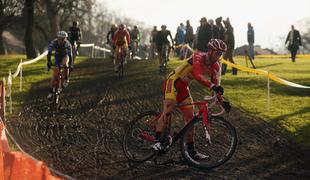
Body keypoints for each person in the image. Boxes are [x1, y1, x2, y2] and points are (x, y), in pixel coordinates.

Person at [153, 39, 231, 160]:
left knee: (190, 119)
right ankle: (157, 142)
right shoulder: (198, 57)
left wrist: (222, 101)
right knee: (169, 107)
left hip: (183, 88)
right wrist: (212, 86)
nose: (219, 56)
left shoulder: (215, 65)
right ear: (210, 51)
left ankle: (191, 151)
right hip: (173, 81)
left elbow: (216, 88)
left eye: (221, 54)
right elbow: (198, 75)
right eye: (217, 53)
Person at [46, 31, 73, 100]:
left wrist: (71, 64)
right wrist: (49, 62)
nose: (61, 40)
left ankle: (66, 79)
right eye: (59, 38)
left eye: (63, 39)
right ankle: (51, 92)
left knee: (65, 64)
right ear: (57, 38)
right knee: (54, 75)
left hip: (65, 56)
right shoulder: (54, 42)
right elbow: (49, 52)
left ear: (66, 39)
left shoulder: (67, 44)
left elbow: (70, 55)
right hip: (57, 56)